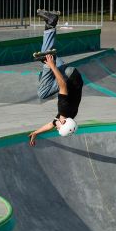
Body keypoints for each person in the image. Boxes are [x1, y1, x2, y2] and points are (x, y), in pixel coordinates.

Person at [28, 9, 84, 147]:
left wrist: (36, 132)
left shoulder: (66, 117)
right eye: (59, 128)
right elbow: (62, 85)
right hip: (68, 78)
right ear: (64, 122)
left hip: (74, 76)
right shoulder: (64, 109)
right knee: (43, 92)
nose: (56, 127)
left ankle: (50, 27)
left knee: (47, 60)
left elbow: (50, 124)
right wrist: (52, 66)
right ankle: (49, 59)